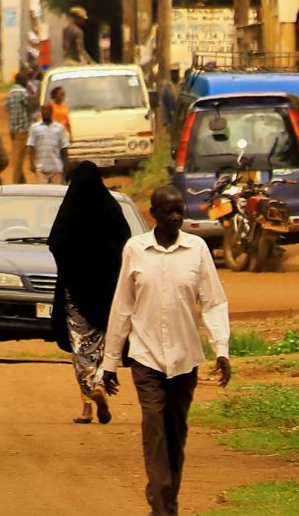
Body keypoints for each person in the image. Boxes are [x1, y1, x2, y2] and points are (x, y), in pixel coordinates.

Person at [103, 184, 232, 516]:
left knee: (176, 433)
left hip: (185, 358)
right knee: (155, 428)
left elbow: (213, 302)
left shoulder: (197, 249)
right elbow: (122, 307)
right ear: (154, 215)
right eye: (169, 211)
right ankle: (160, 504)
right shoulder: (135, 250)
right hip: (146, 357)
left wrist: (222, 350)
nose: (176, 216)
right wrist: (110, 362)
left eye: (180, 210)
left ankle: (167, 503)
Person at [49, 162, 129, 424]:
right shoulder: (110, 208)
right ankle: (100, 387)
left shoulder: (71, 210)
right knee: (103, 347)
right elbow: (125, 239)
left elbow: (55, 242)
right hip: (108, 293)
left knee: (81, 347)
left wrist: (73, 266)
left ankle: (89, 399)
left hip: (76, 293)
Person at [27, 100, 69, 183]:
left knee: (56, 194)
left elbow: (64, 148)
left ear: (51, 111)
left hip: (56, 168)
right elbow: (31, 146)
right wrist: (31, 163)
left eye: (48, 110)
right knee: (42, 194)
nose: (45, 112)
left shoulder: (59, 128)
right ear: (40, 112)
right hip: (41, 169)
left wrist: (66, 164)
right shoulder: (35, 128)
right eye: (43, 110)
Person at [4, 74, 34, 183]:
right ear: (23, 81)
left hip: (13, 130)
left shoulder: (9, 93)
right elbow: (30, 108)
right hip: (23, 129)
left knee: (17, 153)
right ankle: (16, 181)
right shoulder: (24, 93)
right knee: (19, 157)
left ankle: (21, 181)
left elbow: (7, 109)